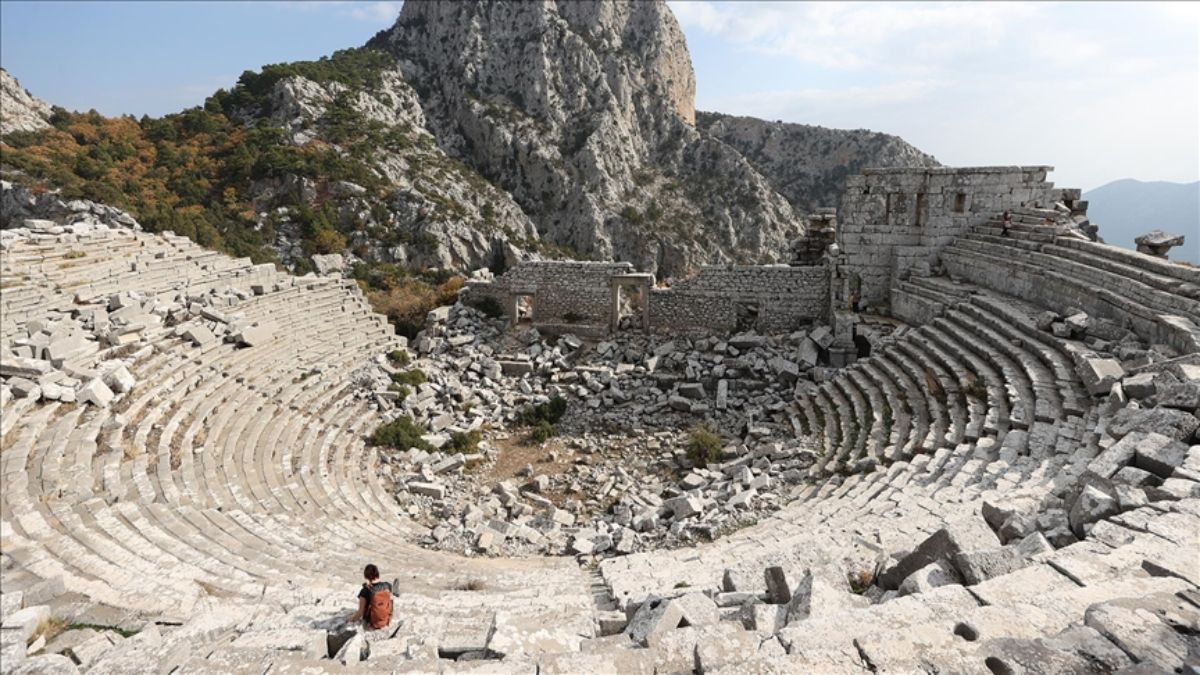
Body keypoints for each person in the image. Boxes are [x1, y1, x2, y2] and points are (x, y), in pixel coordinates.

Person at [346, 564, 393, 630]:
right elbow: (391, 601)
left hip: (371, 622)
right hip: (386, 619)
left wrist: (351, 619)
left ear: (366, 576)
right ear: (377, 574)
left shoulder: (365, 591)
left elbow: (360, 612)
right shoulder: (387, 585)